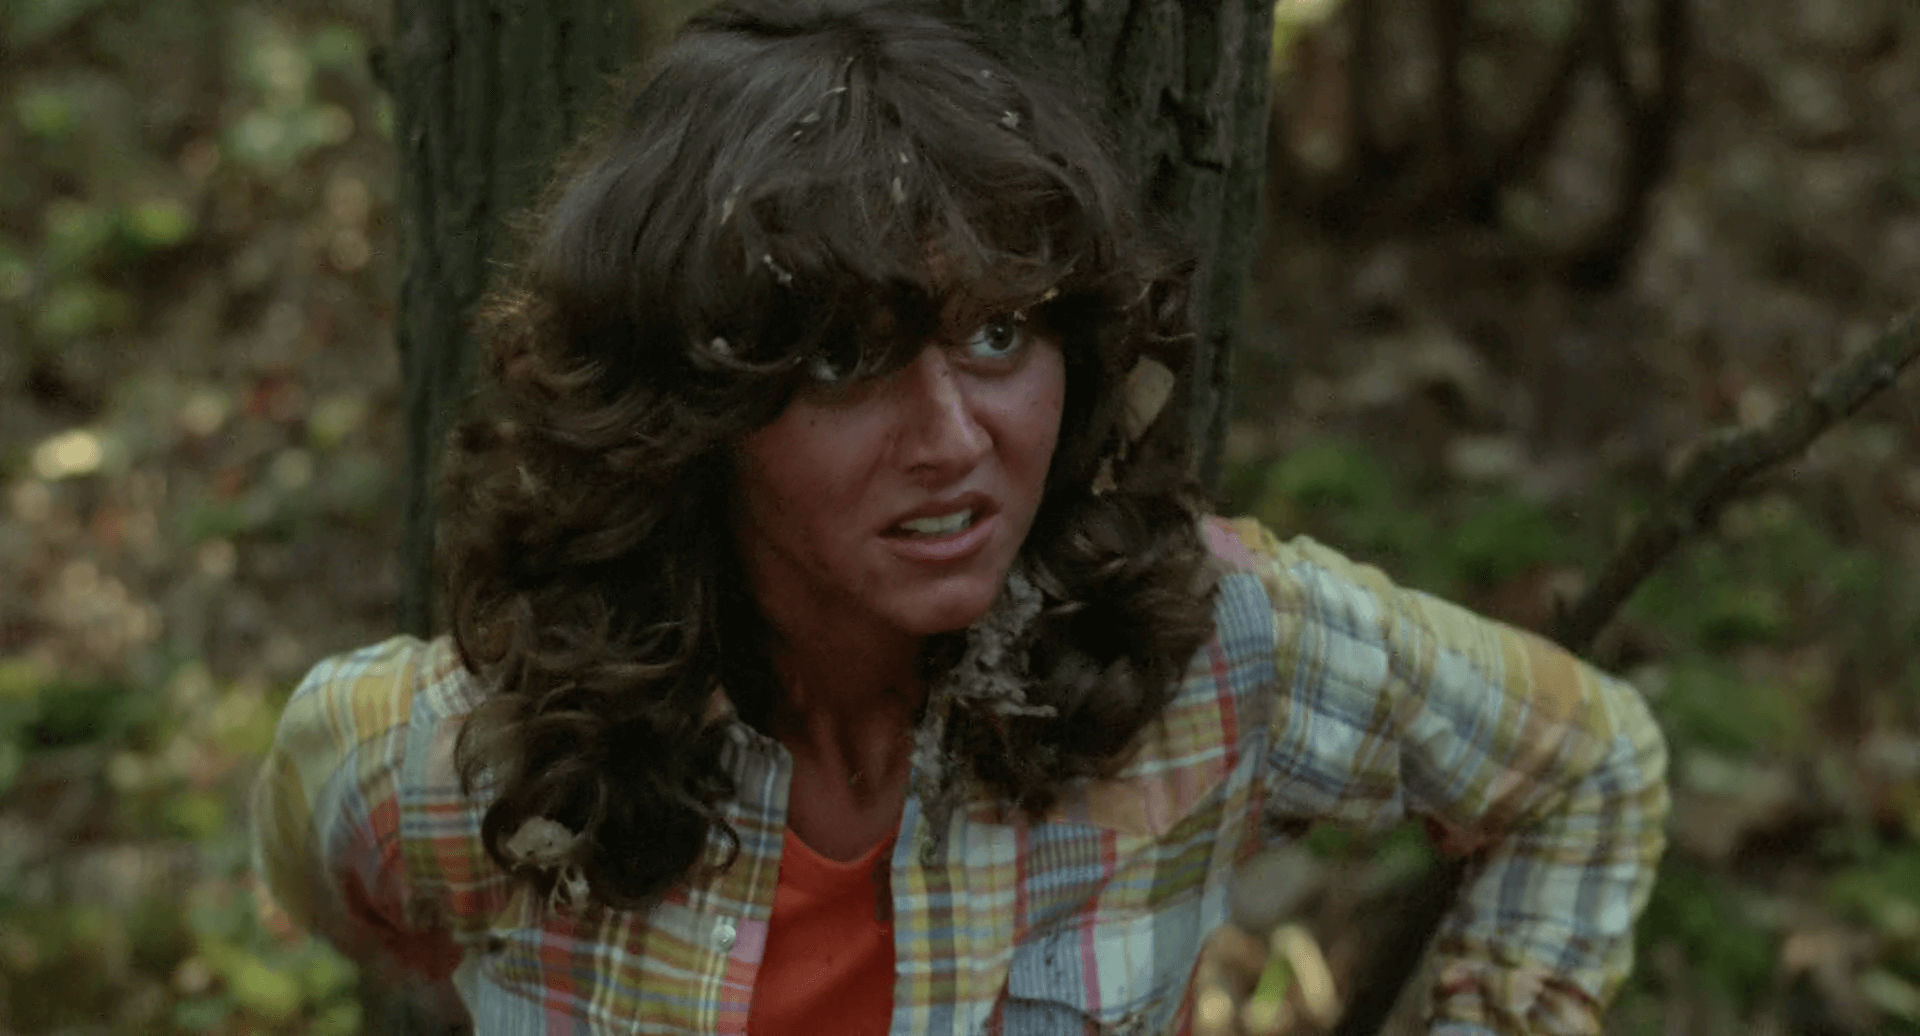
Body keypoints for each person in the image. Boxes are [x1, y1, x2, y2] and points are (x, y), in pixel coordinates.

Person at [250, 1, 1669, 1033]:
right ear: (688, 411)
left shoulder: (1217, 656)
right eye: (844, 360)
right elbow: (332, 862)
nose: (954, 440)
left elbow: (1590, 768)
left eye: (1000, 337)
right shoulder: (469, 758)